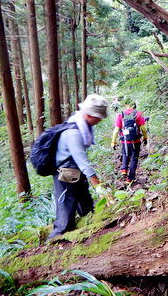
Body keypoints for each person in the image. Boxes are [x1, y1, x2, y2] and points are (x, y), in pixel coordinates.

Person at [48, 94, 112, 240]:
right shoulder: (74, 132)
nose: (100, 120)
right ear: (90, 115)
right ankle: (55, 244)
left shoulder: (82, 126)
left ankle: (90, 238)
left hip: (76, 172)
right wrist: (99, 187)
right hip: (65, 174)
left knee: (87, 209)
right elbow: (84, 163)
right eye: (98, 117)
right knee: (65, 219)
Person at [110, 99, 148, 184]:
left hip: (125, 140)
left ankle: (124, 169)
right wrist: (145, 138)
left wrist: (113, 142)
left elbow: (116, 130)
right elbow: (143, 129)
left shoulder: (121, 114)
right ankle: (130, 178)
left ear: (126, 105)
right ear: (134, 106)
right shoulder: (139, 114)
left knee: (125, 153)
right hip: (136, 140)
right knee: (134, 158)